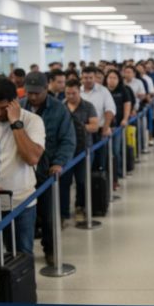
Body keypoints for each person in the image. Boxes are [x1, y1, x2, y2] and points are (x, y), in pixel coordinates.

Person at [0, 78, 45, 256]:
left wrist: (15, 122)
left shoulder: (32, 121)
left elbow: (32, 157)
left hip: (21, 203)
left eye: (3, 108)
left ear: (14, 102)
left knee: (22, 256)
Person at [20, 72, 75, 264]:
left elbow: (68, 139)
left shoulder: (59, 109)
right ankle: (22, 255)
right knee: (25, 215)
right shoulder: (19, 107)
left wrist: (59, 163)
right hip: (23, 170)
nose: (33, 97)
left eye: (37, 93)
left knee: (50, 214)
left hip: (47, 170)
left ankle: (50, 250)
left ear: (46, 89)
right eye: (29, 93)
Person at [60, 79, 99, 221]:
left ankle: (80, 207)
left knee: (82, 181)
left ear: (79, 92)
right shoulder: (61, 107)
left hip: (84, 151)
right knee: (64, 183)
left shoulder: (88, 106)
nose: (70, 96)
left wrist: (78, 127)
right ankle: (63, 213)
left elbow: (94, 126)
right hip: (66, 152)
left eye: (73, 93)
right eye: (67, 93)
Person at [80, 66, 116, 170]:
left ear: (94, 77)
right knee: (84, 162)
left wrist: (106, 127)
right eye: (85, 78)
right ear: (81, 78)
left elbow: (110, 109)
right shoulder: (77, 91)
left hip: (99, 131)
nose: (88, 80)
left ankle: (99, 182)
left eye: (90, 77)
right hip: (82, 132)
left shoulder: (103, 91)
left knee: (100, 160)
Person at [105, 69, 132, 185]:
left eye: (114, 78)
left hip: (117, 125)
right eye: (110, 77)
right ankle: (108, 174)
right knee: (105, 152)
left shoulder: (123, 90)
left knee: (116, 150)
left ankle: (118, 172)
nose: (112, 80)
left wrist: (125, 119)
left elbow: (127, 105)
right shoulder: (103, 91)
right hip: (105, 126)